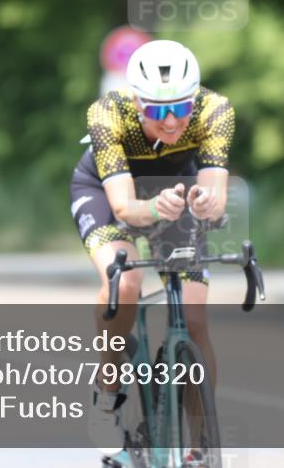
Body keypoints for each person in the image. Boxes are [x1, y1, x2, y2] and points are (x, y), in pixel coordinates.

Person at [69, 40, 234, 457]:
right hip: (109, 191)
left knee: (194, 317)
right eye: (158, 111)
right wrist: (152, 208)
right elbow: (125, 206)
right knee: (125, 282)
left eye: (180, 108)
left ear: (194, 100)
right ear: (138, 103)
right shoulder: (108, 114)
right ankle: (107, 393)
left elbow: (214, 192)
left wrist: (206, 204)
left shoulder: (216, 111)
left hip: (176, 188)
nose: (172, 121)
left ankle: (201, 448)